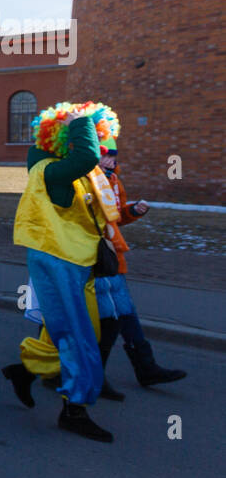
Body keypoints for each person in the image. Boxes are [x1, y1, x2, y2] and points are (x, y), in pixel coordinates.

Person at [5, 101, 123, 441]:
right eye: (89, 136)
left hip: (78, 261)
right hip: (58, 260)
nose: (98, 147)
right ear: (62, 137)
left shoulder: (72, 172)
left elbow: (100, 202)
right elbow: (86, 156)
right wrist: (81, 123)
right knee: (77, 336)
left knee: (78, 332)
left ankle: (25, 372)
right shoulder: (50, 171)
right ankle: (74, 409)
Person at [93, 136, 187, 389]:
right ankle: (92, 374)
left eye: (113, 156)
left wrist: (133, 212)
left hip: (111, 256)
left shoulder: (113, 180)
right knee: (111, 316)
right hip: (93, 257)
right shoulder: (87, 179)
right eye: (105, 155)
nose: (110, 160)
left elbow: (116, 217)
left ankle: (144, 367)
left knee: (122, 313)